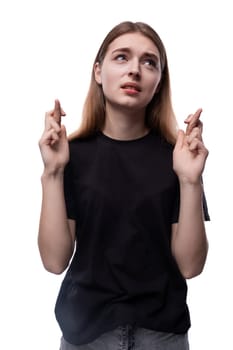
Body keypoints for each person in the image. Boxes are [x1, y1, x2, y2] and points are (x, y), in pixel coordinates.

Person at [38, 21, 210, 350]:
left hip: (162, 337)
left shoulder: (177, 157)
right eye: (122, 57)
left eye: (149, 62)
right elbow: (54, 260)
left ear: (159, 82)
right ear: (98, 72)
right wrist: (53, 172)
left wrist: (191, 180)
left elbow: (190, 266)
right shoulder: (72, 155)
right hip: (86, 335)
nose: (135, 70)